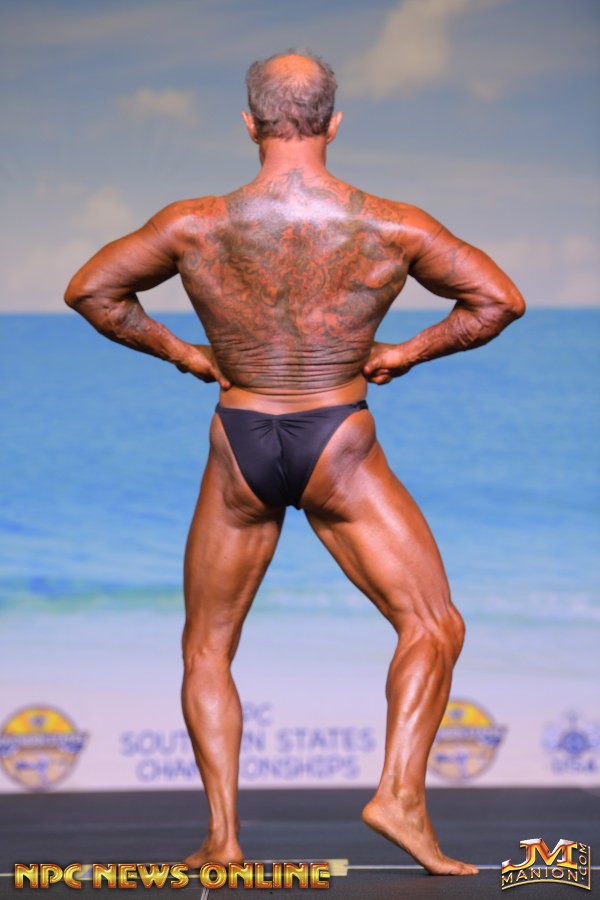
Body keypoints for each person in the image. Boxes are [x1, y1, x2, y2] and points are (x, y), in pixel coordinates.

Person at [64, 51, 525, 876]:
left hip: (240, 438)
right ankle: (398, 797)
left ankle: (223, 838)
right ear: (334, 123)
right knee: (432, 624)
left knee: (207, 647)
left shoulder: (193, 224)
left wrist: (185, 353)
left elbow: (92, 290)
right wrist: (406, 352)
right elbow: (499, 301)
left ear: (250, 124)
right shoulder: (392, 225)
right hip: (337, 440)